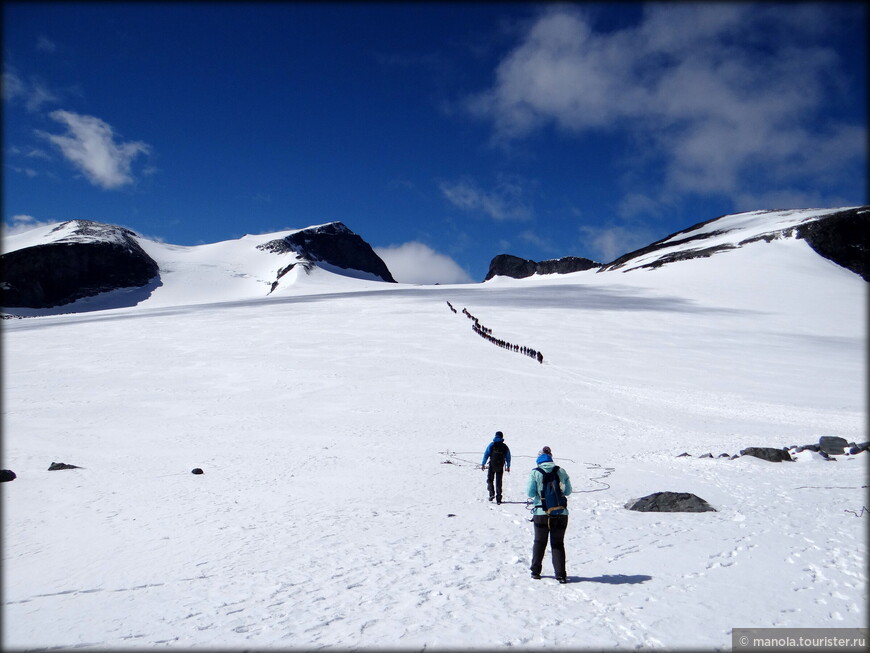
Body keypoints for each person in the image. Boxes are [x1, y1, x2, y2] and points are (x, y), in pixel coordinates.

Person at [527, 446, 572, 583]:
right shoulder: (561, 471)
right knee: (558, 543)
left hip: (541, 512)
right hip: (561, 512)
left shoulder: (535, 472)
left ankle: (536, 571)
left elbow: (530, 493)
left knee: (539, 542)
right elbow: (568, 491)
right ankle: (561, 574)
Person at [480, 431, 511, 504]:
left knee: (490, 479)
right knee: (499, 482)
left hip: (492, 465)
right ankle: (499, 498)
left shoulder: (491, 445)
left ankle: (491, 493)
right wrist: (508, 466)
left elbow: (486, 455)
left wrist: (483, 464)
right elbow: (508, 457)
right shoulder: (505, 446)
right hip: (500, 465)